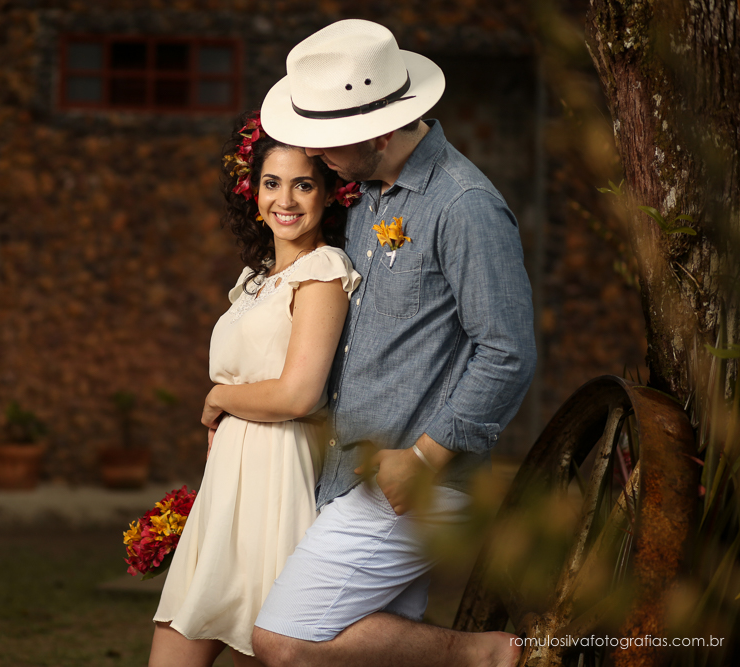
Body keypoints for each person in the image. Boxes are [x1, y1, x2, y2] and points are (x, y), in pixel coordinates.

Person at [249, 19, 536, 667]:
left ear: (379, 131)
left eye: (328, 142)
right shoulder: (371, 197)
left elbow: (507, 351)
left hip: (416, 480)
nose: (316, 156)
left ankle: (488, 654)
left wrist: (427, 455)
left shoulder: (464, 207)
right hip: (354, 473)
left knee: (284, 641)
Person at [148, 111, 362, 667]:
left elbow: (298, 395)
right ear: (253, 189)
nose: (285, 200)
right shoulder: (258, 277)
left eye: (303, 184)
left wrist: (219, 399)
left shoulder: (322, 274)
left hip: (277, 473)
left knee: (261, 641)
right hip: (231, 477)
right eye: (272, 182)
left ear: (329, 194)